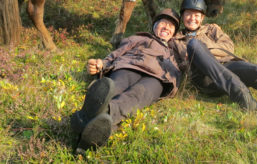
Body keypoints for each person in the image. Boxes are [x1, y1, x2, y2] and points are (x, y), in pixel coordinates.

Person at [70, 8, 181, 152]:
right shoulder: (140, 38)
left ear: (174, 33)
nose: (166, 27)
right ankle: (96, 131)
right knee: (115, 87)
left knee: (137, 95)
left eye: (171, 26)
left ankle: (91, 117)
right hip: (130, 65)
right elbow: (117, 53)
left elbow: (180, 71)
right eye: (163, 23)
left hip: (157, 79)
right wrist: (102, 64)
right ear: (154, 26)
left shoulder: (175, 51)